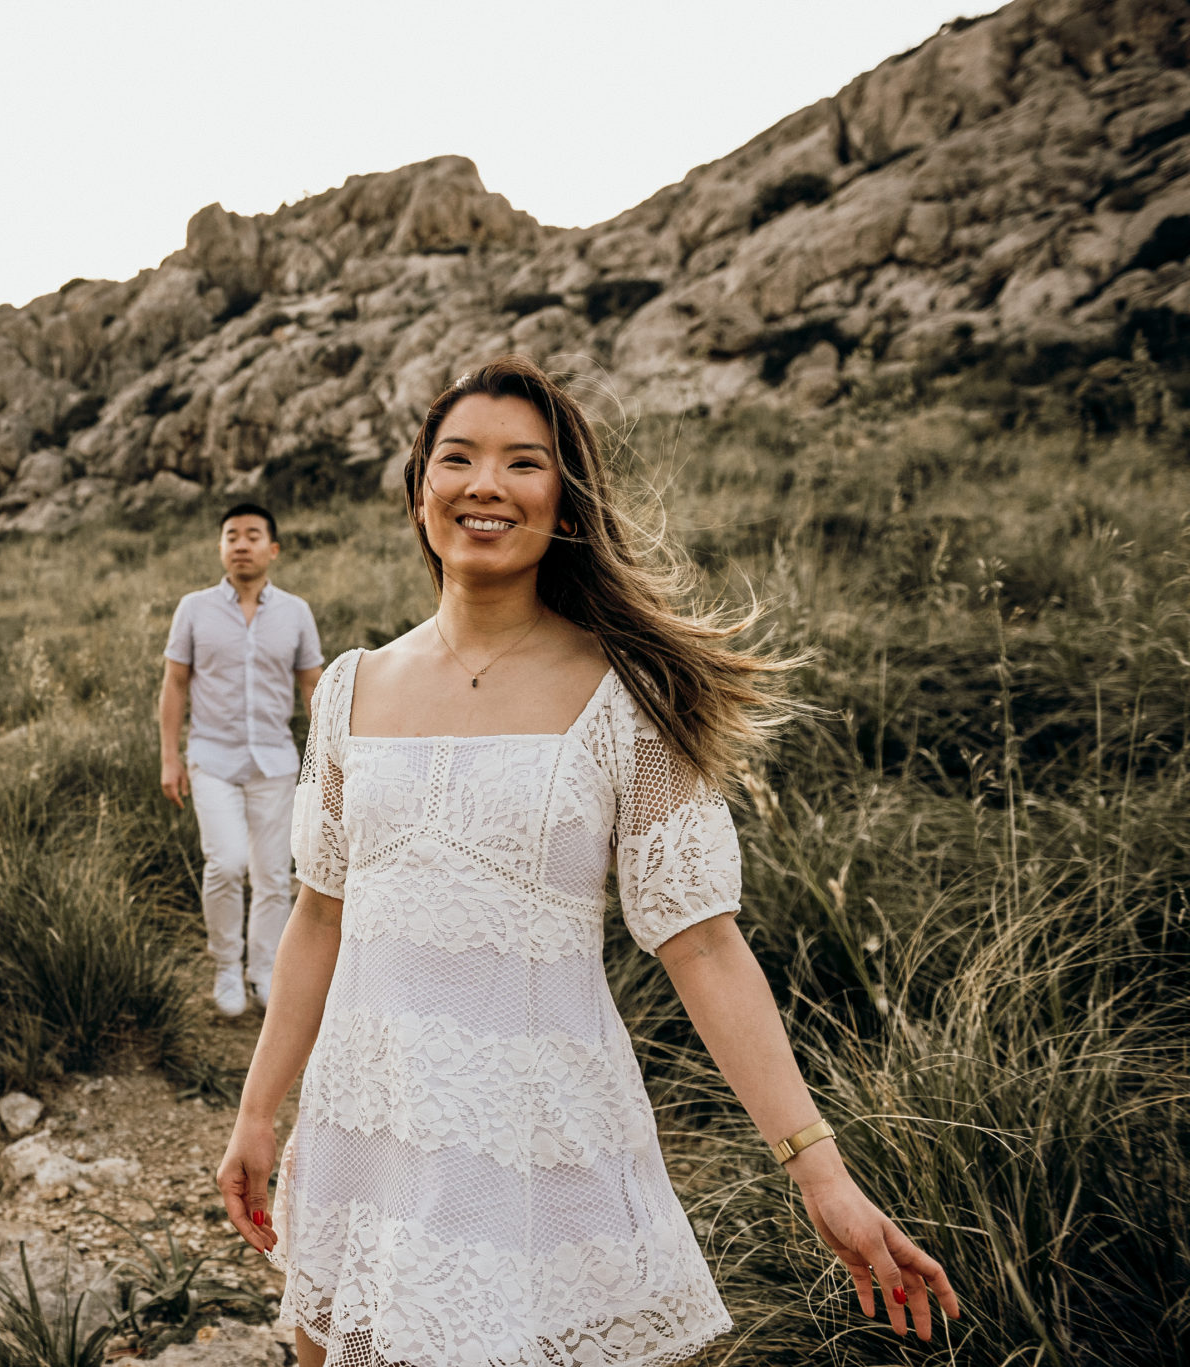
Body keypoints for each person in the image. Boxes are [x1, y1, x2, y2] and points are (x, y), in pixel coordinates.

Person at [214, 357, 962, 1367]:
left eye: (522, 463)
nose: (485, 483)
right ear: (418, 490)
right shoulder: (348, 688)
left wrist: (818, 1170)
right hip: (362, 1130)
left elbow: (700, 941)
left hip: (531, 1148)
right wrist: (258, 1111)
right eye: (457, 458)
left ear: (562, 504)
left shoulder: (628, 695)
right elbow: (317, 915)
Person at [160, 503, 324, 1018]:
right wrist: (170, 758)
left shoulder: (296, 612)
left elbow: (312, 685)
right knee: (226, 864)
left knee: (274, 877)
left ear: (272, 549)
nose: (241, 544)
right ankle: (227, 965)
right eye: (231, 535)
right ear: (221, 548)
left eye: (253, 536)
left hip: (275, 762)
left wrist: (327, 761)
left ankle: (264, 970)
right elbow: (175, 683)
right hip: (212, 758)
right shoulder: (193, 608)